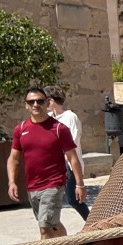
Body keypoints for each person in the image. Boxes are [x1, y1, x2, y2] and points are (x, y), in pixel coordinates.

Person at [7, 87, 86, 241]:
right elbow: (13, 158)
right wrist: (12, 182)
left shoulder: (59, 129)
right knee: (52, 224)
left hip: (54, 184)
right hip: (32, 186)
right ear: (26, 105)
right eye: (31, 102)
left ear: (47, 103)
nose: (35, 104)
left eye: (39, 101)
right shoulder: (20, 129)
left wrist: (80, 184)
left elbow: (73, 157)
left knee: (44, 228)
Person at [43, 85, 89, 221]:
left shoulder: (70, 117)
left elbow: (72, 143)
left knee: (74, 199)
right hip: (54, 166)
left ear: (51, 101)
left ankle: (92, 223)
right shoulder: (49, 118)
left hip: (69, 165)